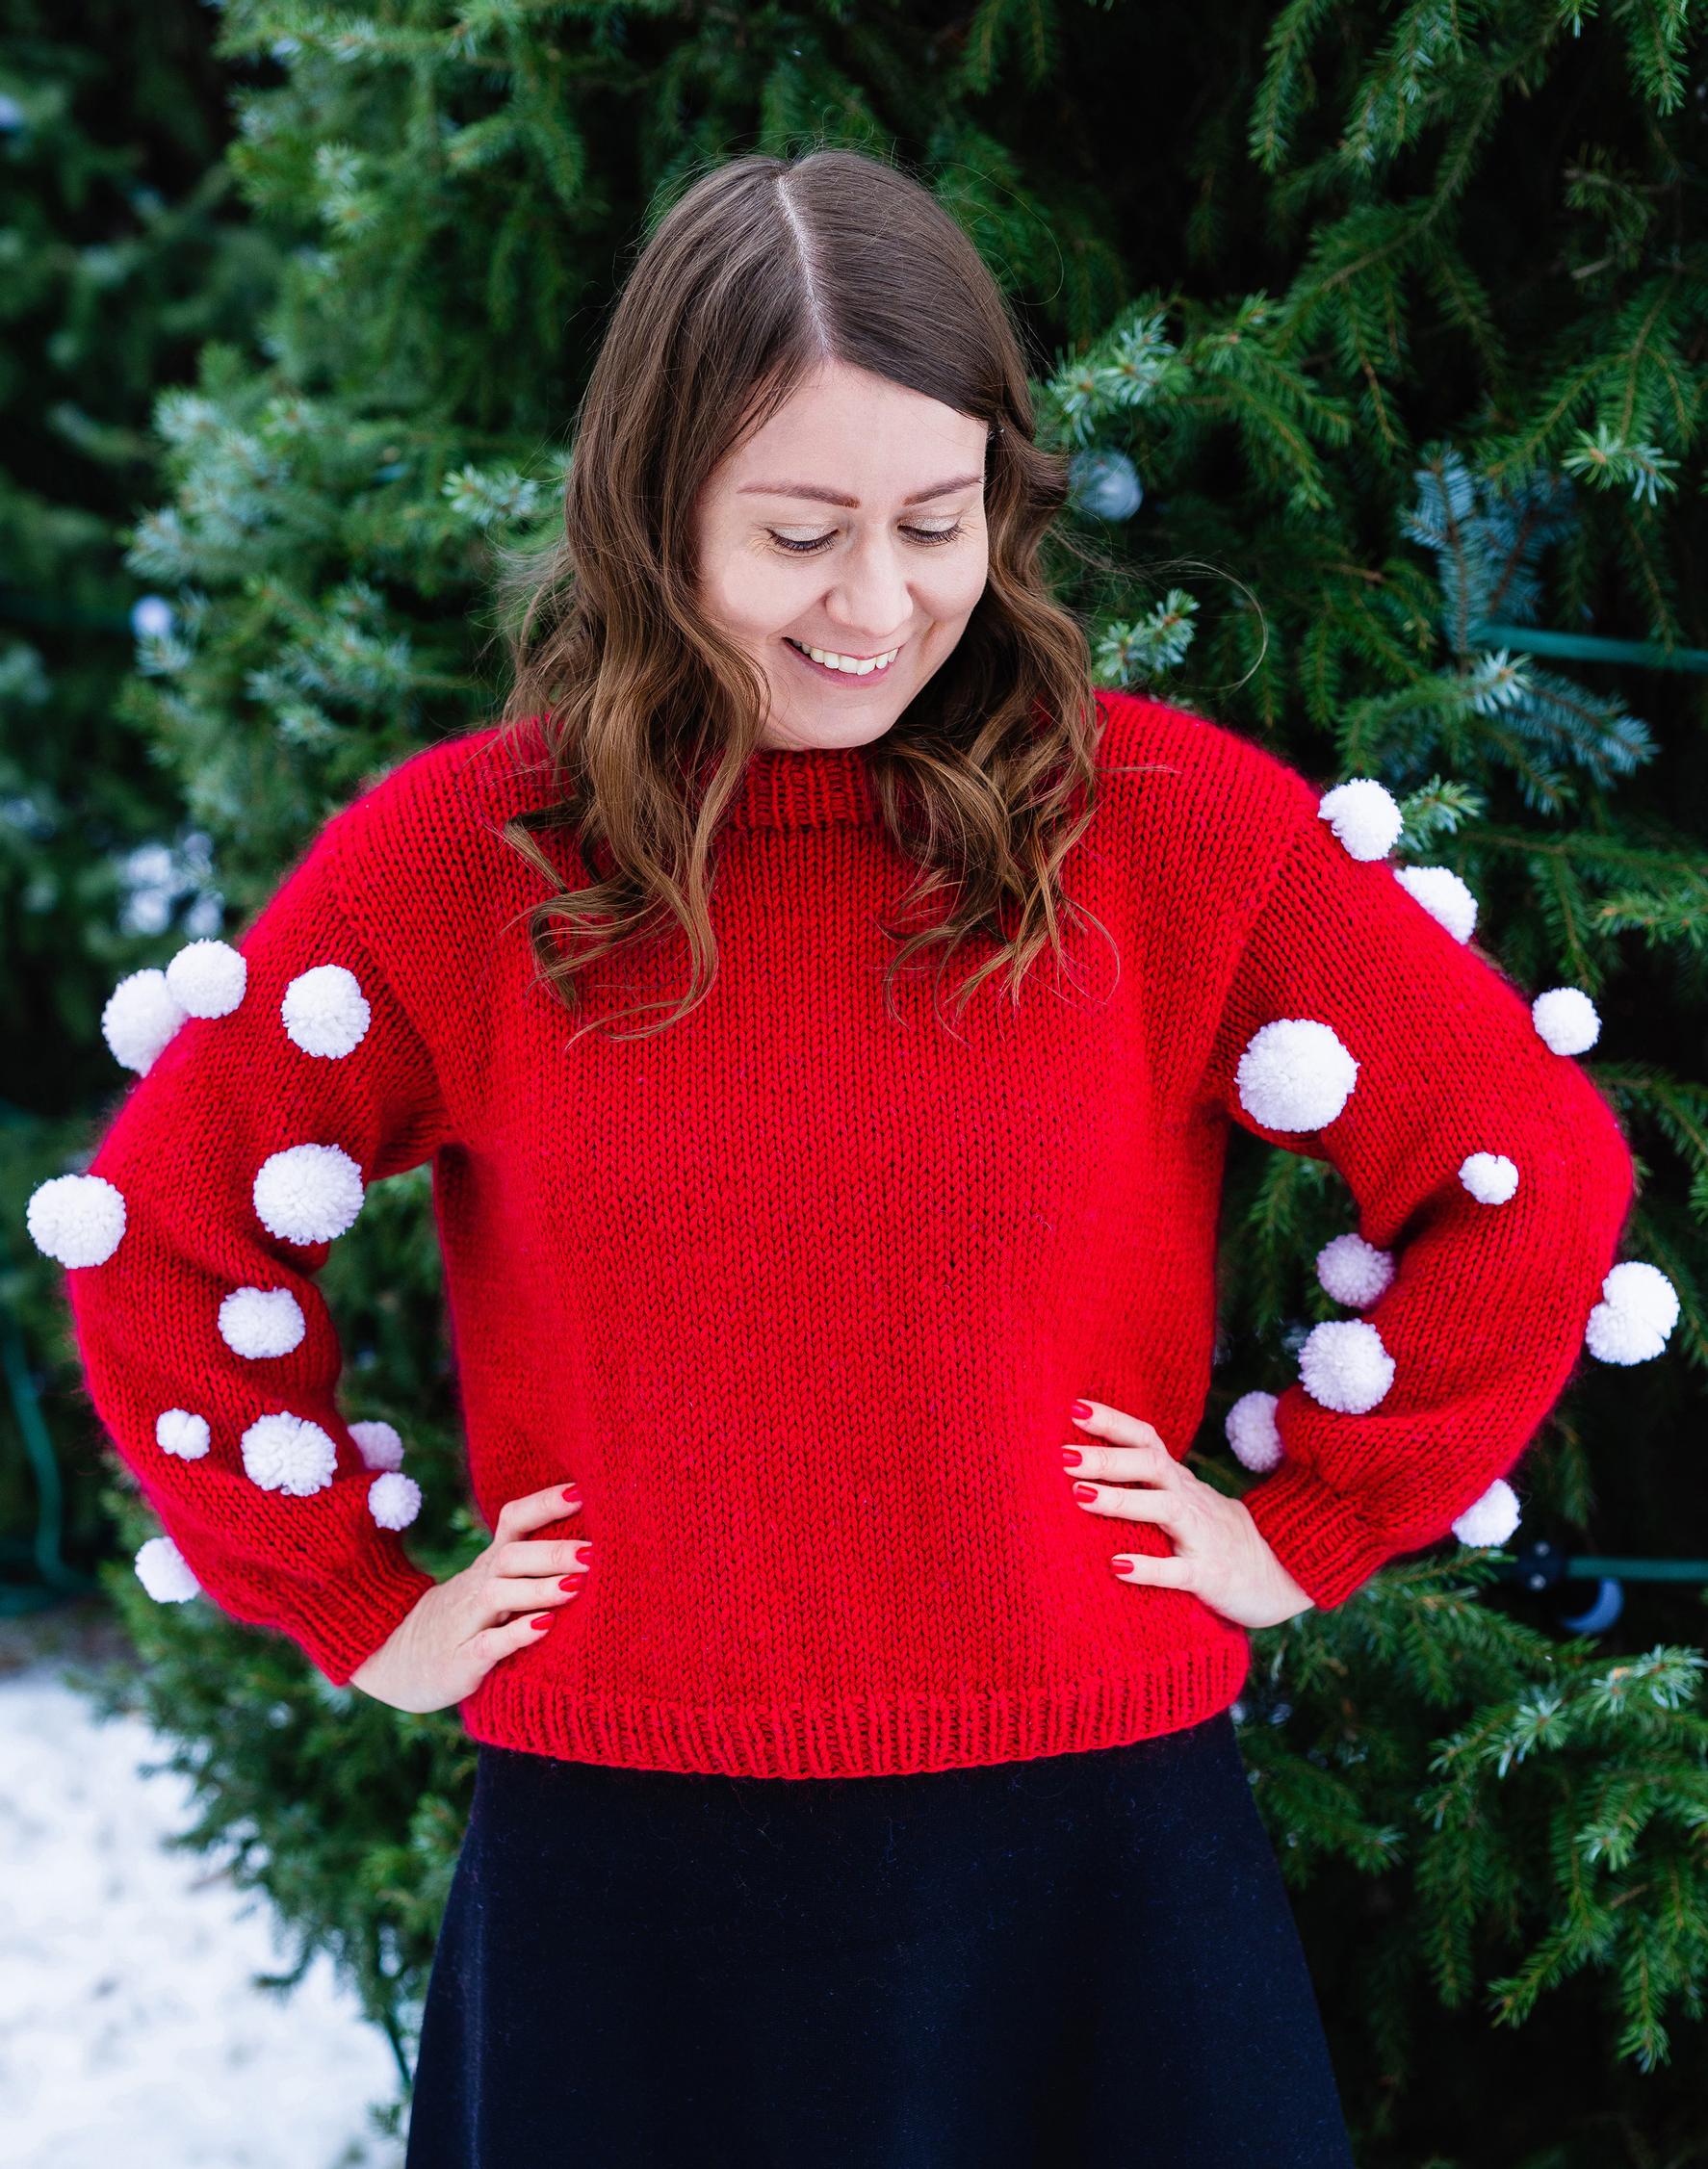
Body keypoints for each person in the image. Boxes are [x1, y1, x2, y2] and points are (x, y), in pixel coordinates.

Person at [31, 146, 1654, 2167]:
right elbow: (165, 1229)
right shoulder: (472, 867)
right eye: (798, 532)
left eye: (932, 522)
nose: (876, 604)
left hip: (1096, 1862)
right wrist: (357, 1599)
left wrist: (1308, 1519)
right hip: (624, 1884)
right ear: (653, 512)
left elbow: (1519, 1159)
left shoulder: (1163, 830)